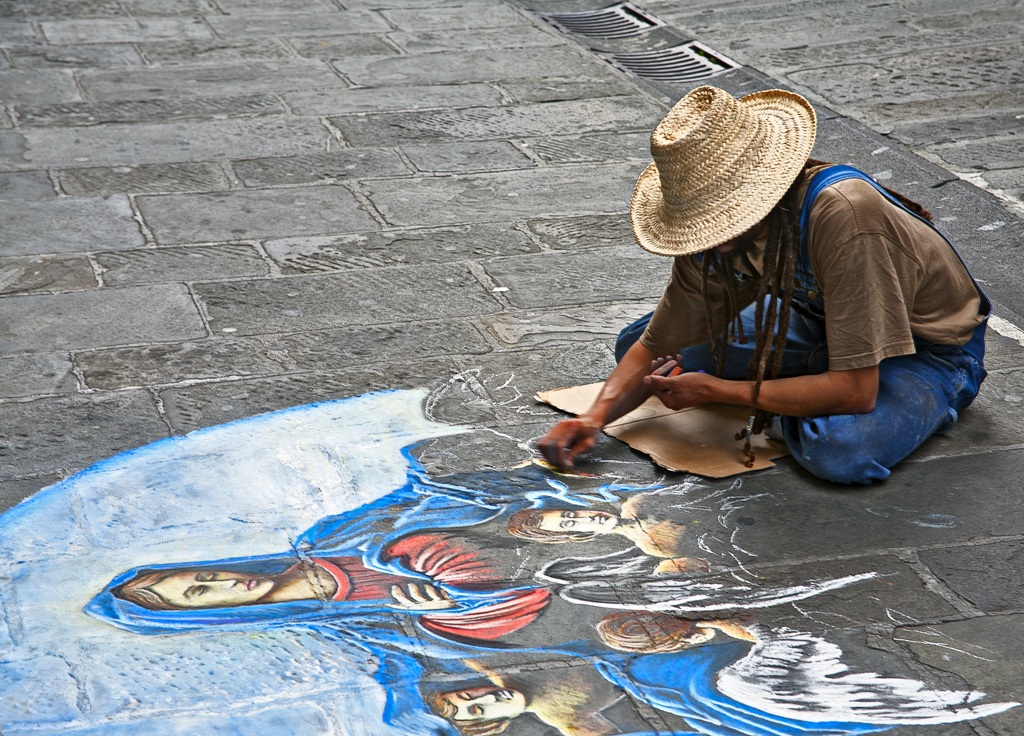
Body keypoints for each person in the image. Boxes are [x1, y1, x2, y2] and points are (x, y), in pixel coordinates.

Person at [539, 85, 989, 484]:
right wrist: (594, 418)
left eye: (718, 226)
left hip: (921, 350)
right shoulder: (714, 237)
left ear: (758, 199)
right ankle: (801, 390)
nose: (709, 241)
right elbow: (658, 344)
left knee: (839, 450)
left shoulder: (844, 214)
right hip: (814, 323)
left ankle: (819, 395)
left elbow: (857, 391)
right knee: (639, 351)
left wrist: (719, 391)